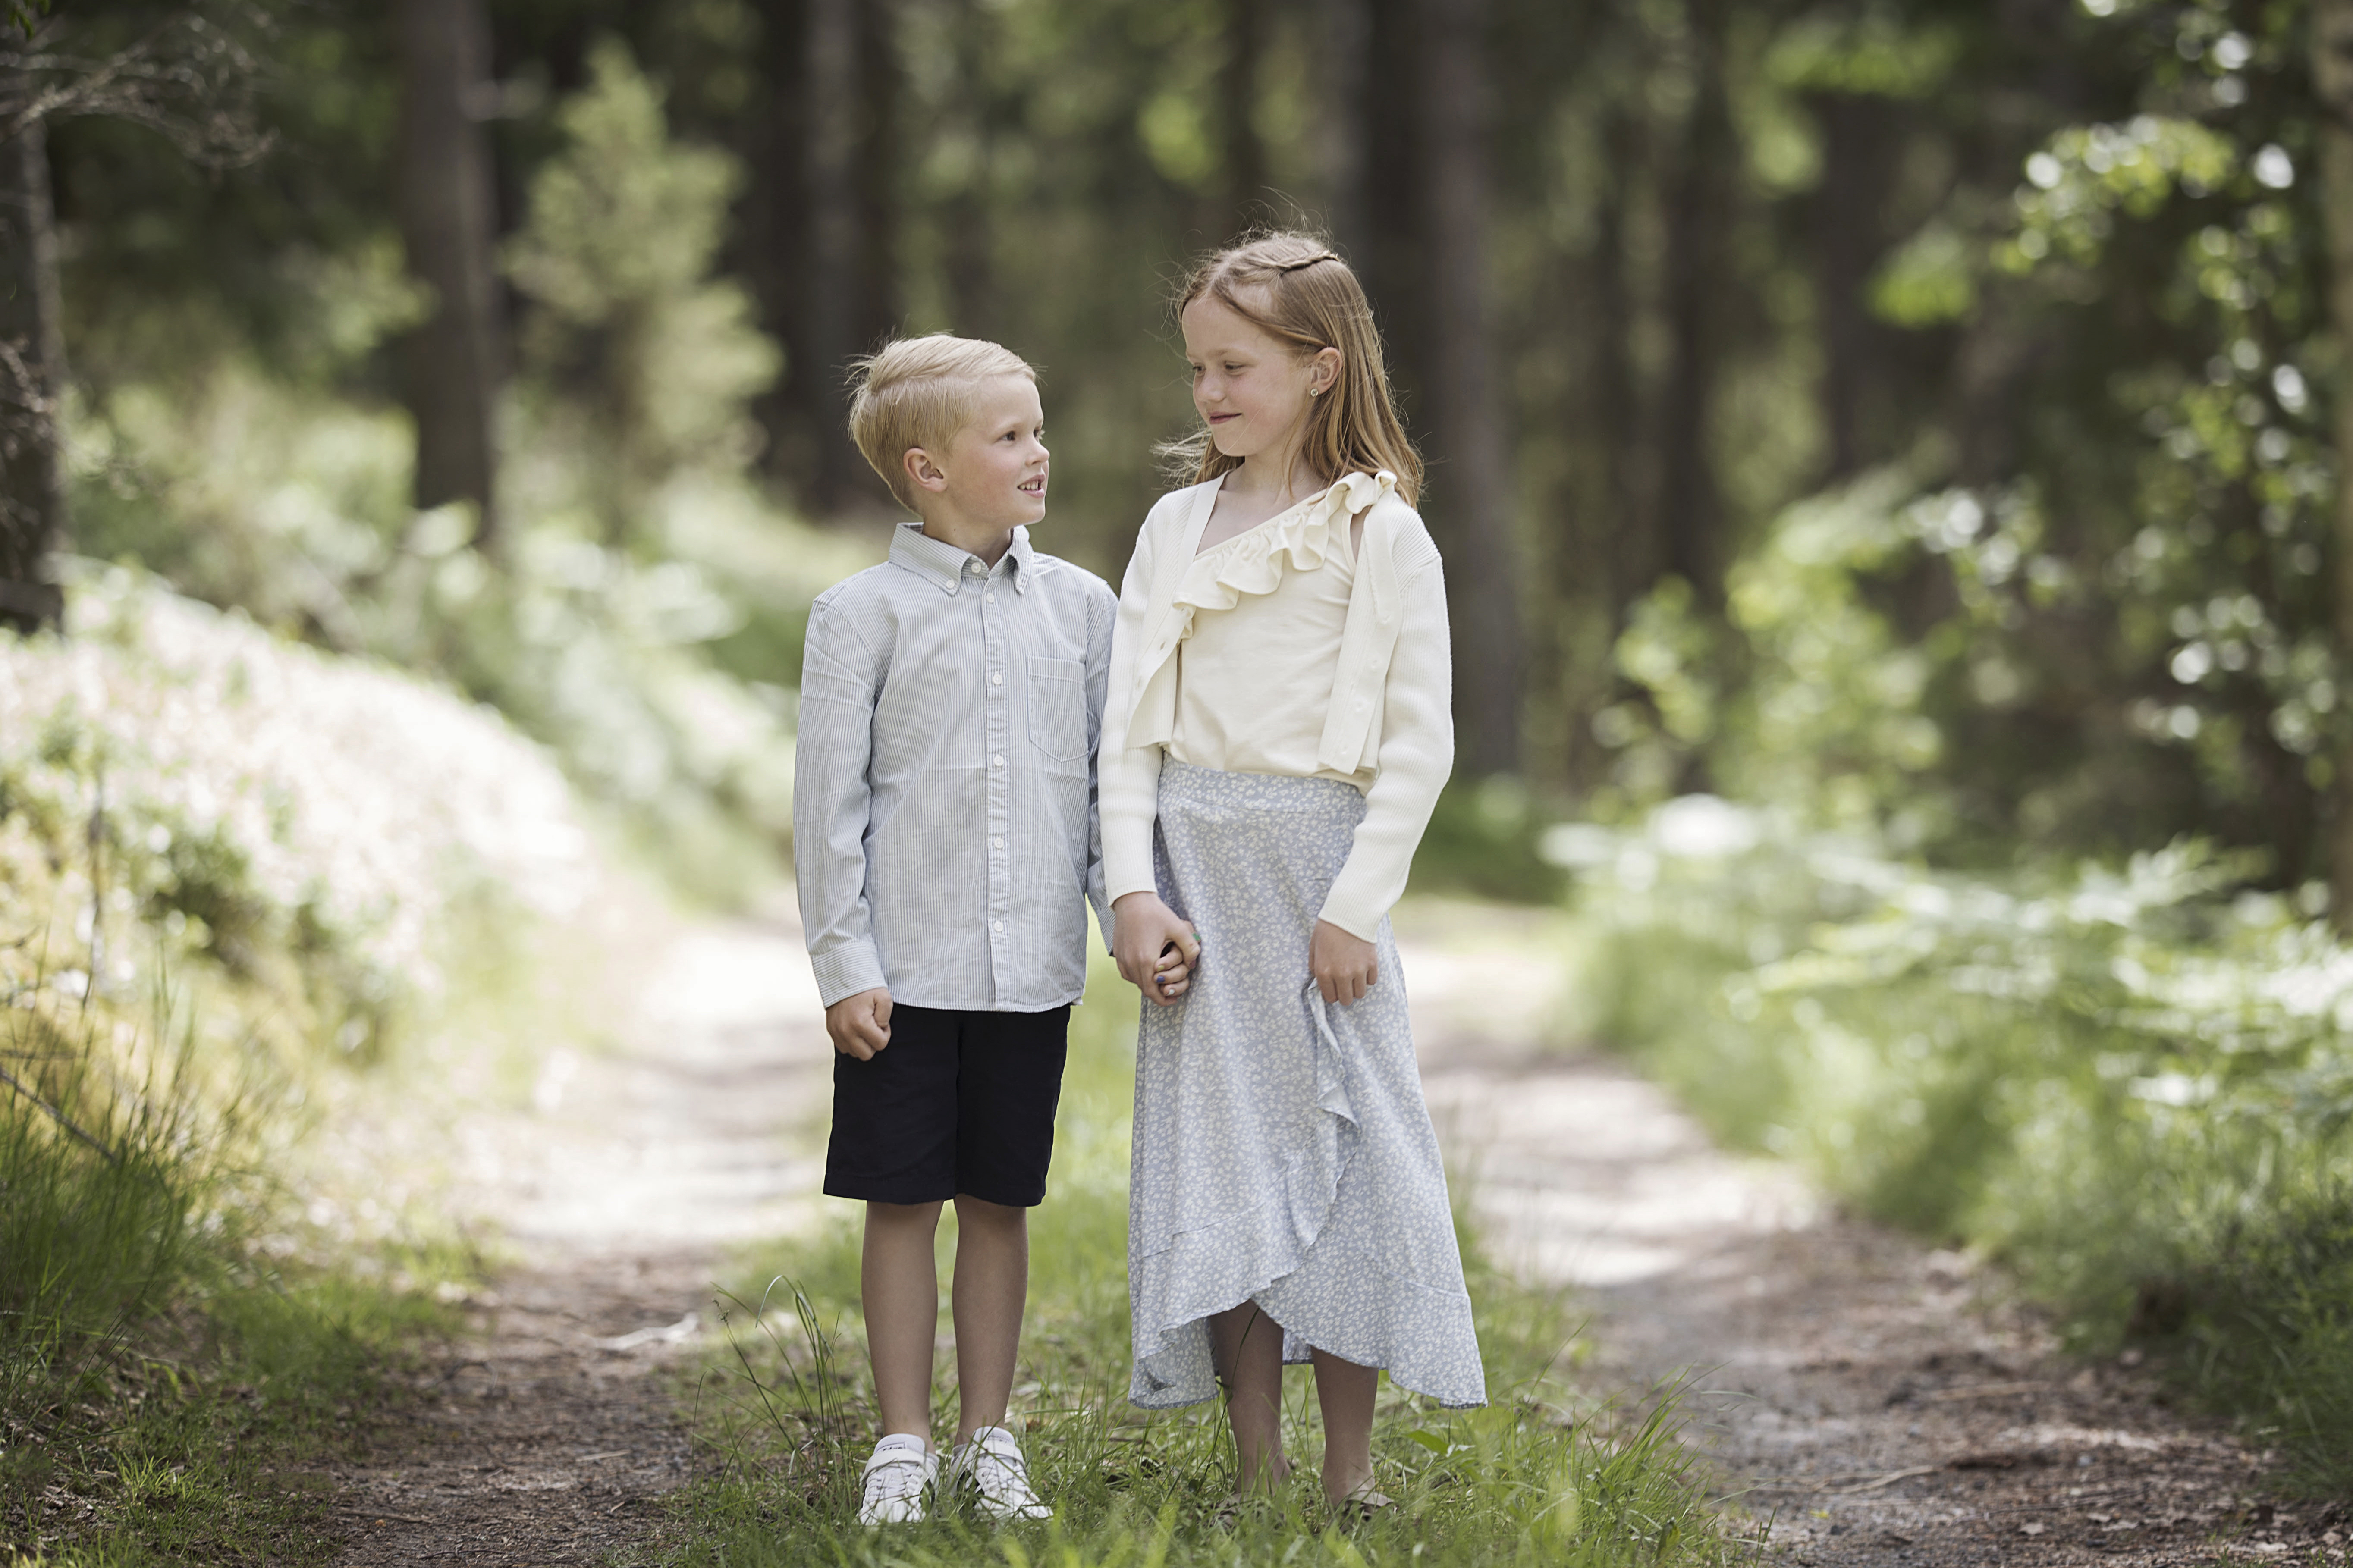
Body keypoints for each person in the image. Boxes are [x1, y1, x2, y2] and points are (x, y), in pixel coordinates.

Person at [1098, 233, 1487, 1515]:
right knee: (1226, 1155)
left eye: (1236, 364)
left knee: (1356, 1150)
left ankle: (1349, 1469)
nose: (1210, 390)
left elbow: (1420, 743)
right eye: (1198, 366)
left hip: (1320, 878)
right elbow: (1127, 732)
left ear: (1321, 368)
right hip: (1196, 874)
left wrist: (1354, 906)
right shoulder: (1174, 525)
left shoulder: (1382, 534)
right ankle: (1255, 1470)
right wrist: (1132, 888)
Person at [794, 333, 1130, 1526]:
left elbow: (1103, 794)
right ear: (929, 469)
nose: (1041, 452)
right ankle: (902, 1439)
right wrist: (843, 961)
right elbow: (826, 808)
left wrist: (1125, 913)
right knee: (903, 1200)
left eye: (1039, 429)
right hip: (906, 968)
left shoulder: (1083, 610)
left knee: (1000, 1200)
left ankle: (992, 1437)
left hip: (1030, 970)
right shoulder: (860, 615)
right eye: (1012, 436)